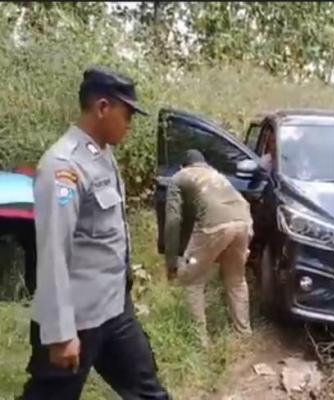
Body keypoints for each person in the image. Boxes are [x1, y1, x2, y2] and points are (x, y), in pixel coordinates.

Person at [20, 67, 170, 400]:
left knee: (149, 392)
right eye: (127, 113)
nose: (130, 123)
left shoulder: (101, 154)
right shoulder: (63, 166)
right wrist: (60, 333)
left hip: (114, 310)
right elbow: (52, 251)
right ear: (102, 107)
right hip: (77, 318)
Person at [164, 149, 253, 343]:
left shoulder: (180, 177)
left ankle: (200, 342)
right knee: (236, 281)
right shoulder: (216, 175)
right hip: (243, 222)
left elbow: (173, 220)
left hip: (214, 225)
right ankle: (244, 334)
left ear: (184, 166)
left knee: (191, 280)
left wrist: (171, 261)